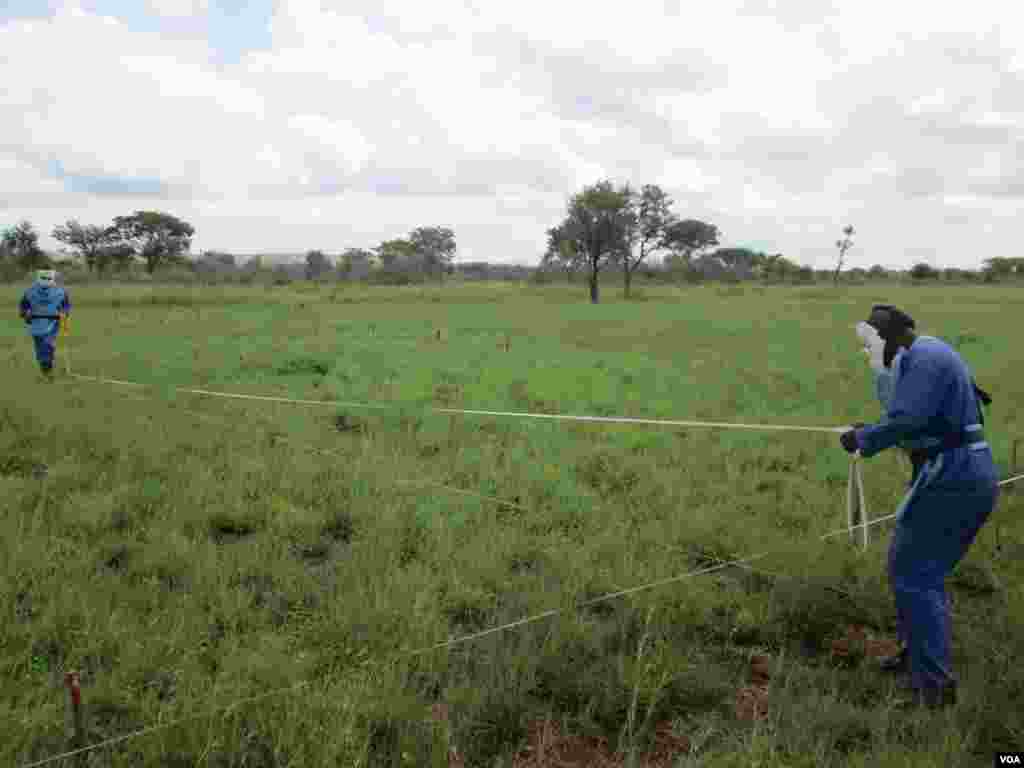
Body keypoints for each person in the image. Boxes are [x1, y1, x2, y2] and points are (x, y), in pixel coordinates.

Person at [840, 305, 998, 709]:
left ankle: (933, 689)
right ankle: (918, 659)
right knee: (914, 571)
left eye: (873, 346)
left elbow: (907, 419)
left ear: (893, 339)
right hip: (955, 472)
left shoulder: (926, 357)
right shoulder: (925, 353)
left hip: (955, 475)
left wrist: (866, 439)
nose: (871, 355)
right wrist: (870, 431)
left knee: (915, 575)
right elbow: (908, 416)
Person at [19, 269, 71, 379]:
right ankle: (45, 368)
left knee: (47, 344)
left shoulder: (60, 292)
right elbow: (23, 307)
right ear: (39, 278)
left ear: (52, 278)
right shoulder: (30, 292)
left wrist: (64, 313)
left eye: (48, 278)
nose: (46, 281)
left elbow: (66, 306)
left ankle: (48, 369)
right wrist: (25, 314)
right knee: (40, 347)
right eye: (44, 278)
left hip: (52, 322)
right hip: (35, 323)